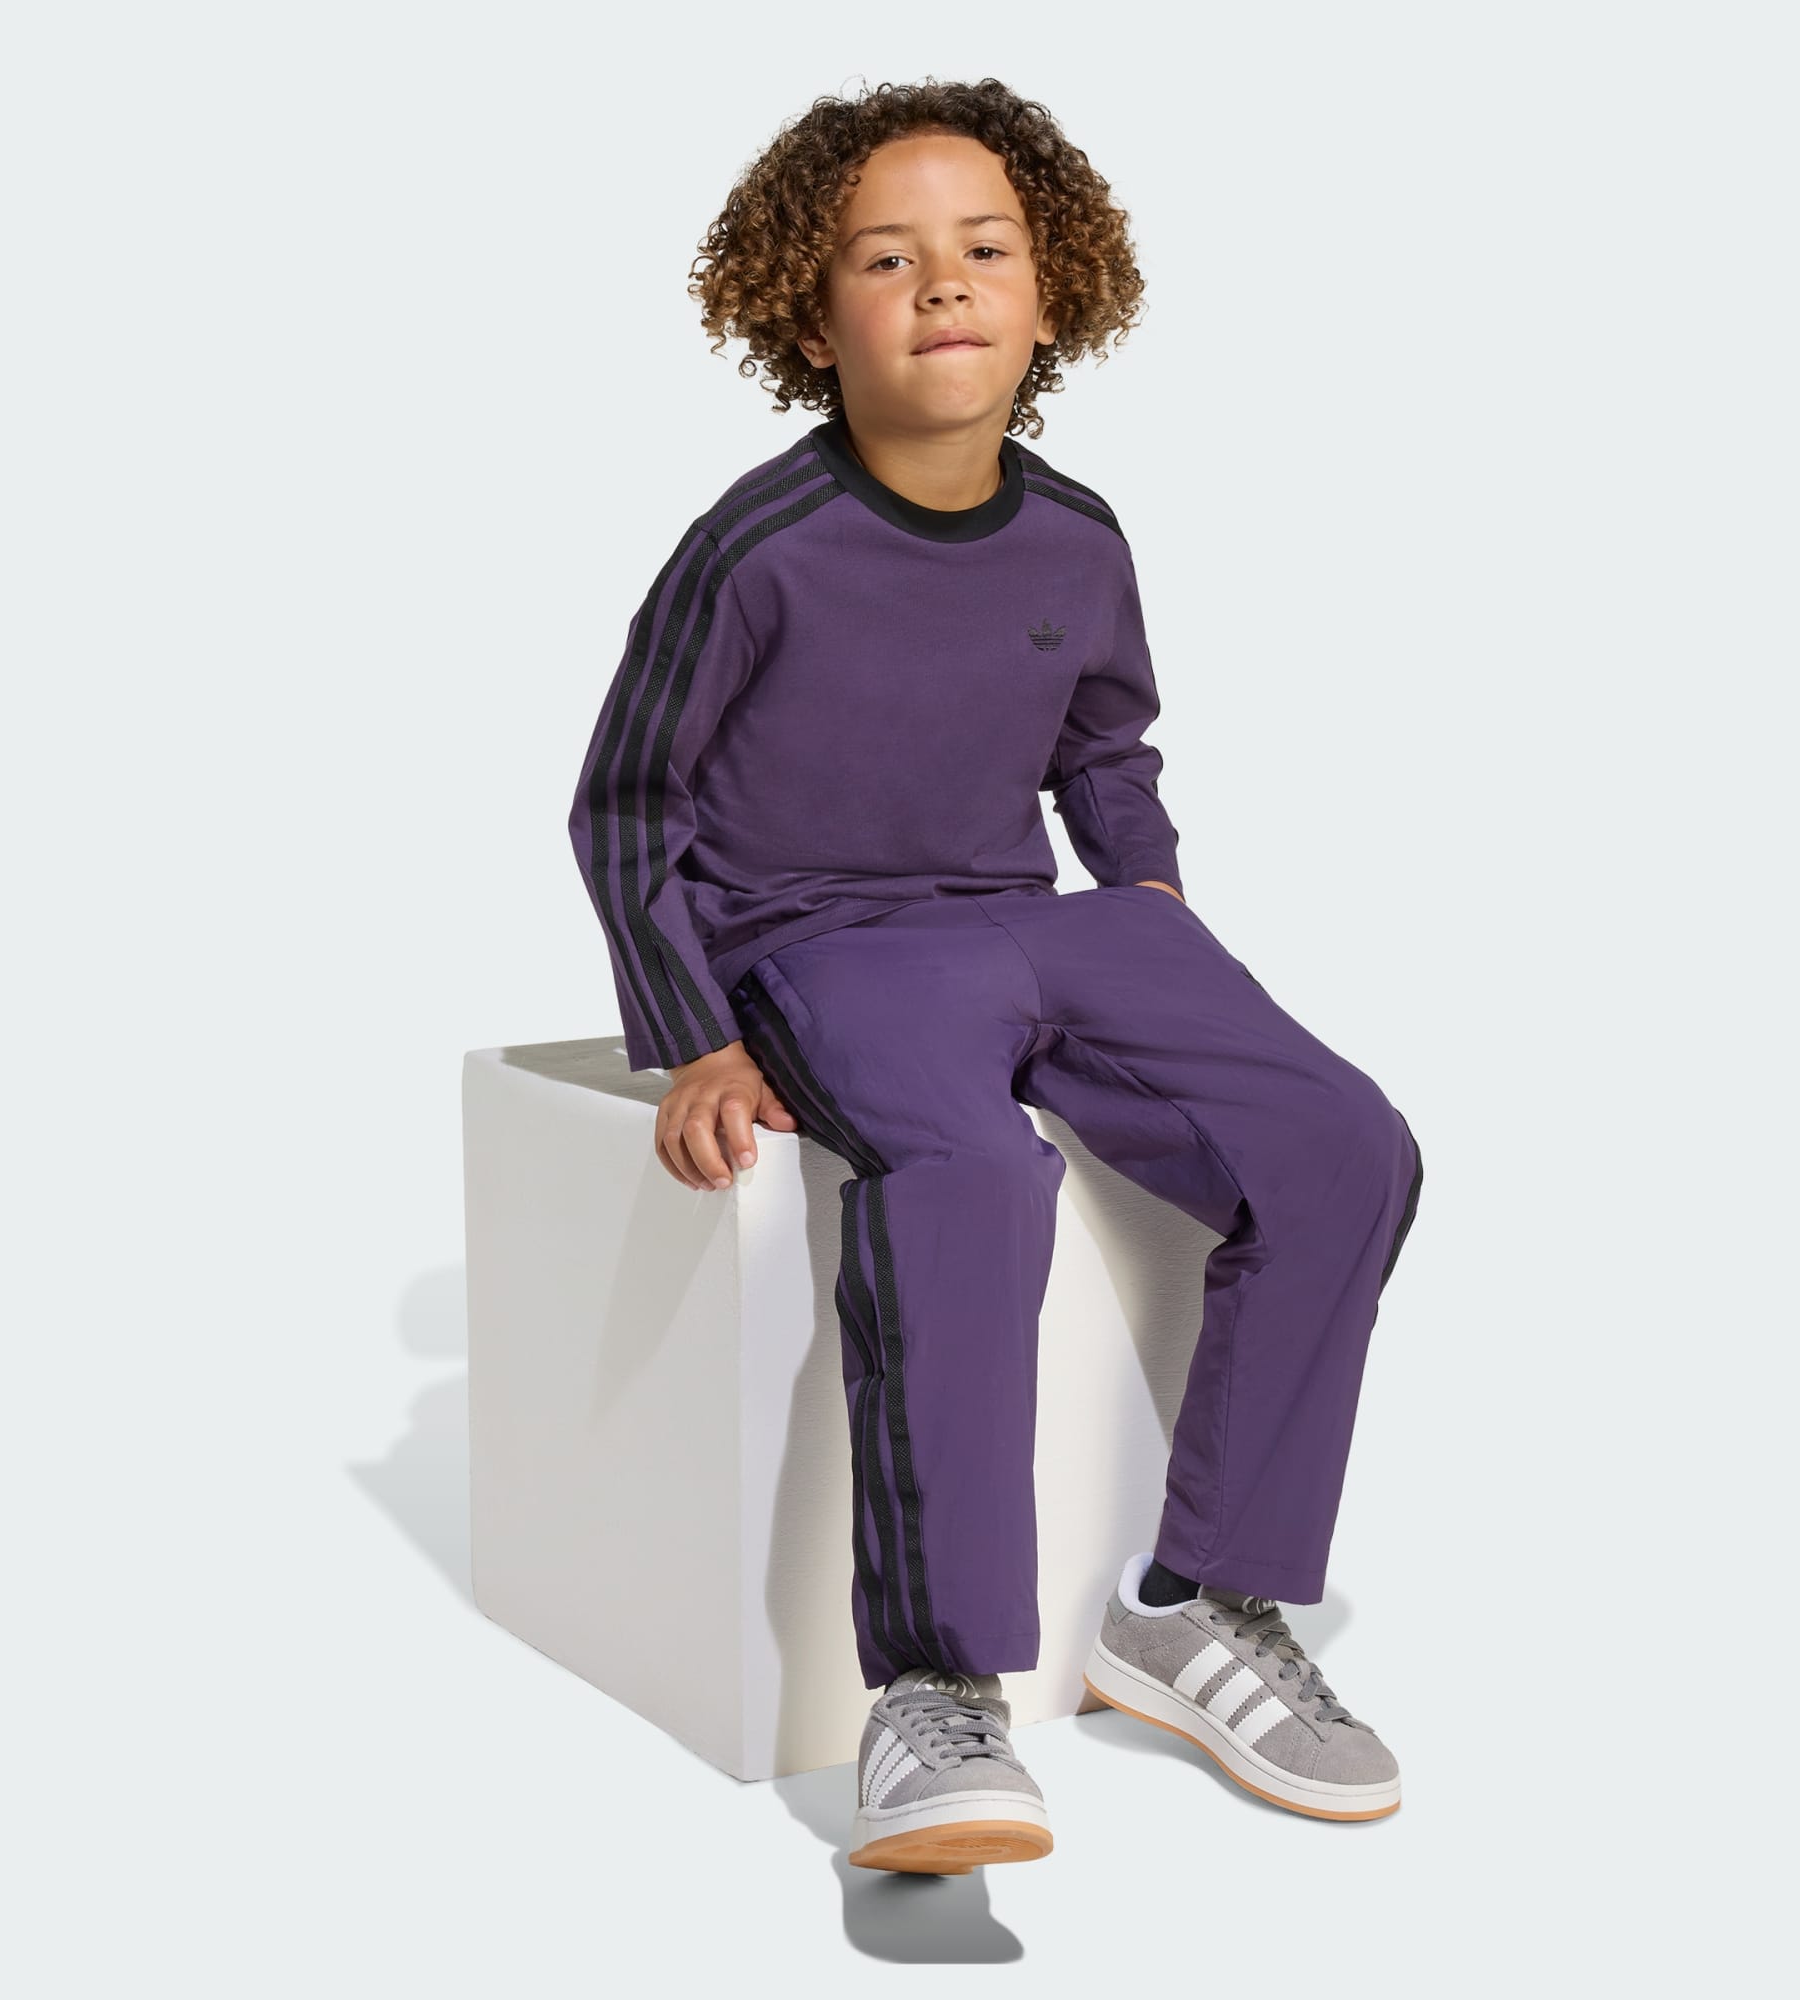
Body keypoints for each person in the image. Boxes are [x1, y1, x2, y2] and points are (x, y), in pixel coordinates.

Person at [568, 77, 1425, 1870]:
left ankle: (1195, 1607)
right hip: (824, 938)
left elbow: (1105, 743)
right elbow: (630, 805)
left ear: (1054, 297)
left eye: (984, 250)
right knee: (968, 1176)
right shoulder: (755, 550)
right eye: (886, 259)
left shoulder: (1080, 537)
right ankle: (935, 1694)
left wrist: (1152, 894)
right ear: (812, 320)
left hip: (1043, 922)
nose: (942, 282)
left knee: (1347, 1143)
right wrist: (696, 1039)